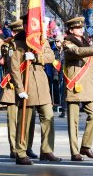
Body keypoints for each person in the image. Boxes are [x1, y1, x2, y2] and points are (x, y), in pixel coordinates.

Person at [11, 14, 60, 165]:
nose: (31, 28)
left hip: (41, 85)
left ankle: (46, 150)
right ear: (25, 26)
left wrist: (36, 56)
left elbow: (51, 56)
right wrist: (19, 89)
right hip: (27, 86)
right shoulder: (17, 44)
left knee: (48, 117)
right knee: (25, 121)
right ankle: (21, 152)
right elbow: (14, 69)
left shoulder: (41, 41)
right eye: (29, 25)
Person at [63, 16, 93, 161]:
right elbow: (77, 52)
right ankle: (74, 151)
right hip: (75, 85)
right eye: (78, 28)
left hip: (87, 86)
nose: (81, 30)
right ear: (71, 30)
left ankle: (86, 146)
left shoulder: (85, 42)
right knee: (73, 121)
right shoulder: (67, 43)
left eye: (82, 27)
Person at [0, 20, 37, 159]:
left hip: (27, 84)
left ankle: (28, 146)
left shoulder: (29, 45)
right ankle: (14, 148)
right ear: (14, 32)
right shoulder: (9, 45)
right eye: (18, 31)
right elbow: (10, 63)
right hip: (11, 85)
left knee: (30, 118)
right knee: (13, 120)